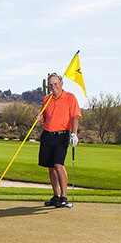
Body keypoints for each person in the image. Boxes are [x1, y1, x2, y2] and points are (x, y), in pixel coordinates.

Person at [37, 73, 81, 207]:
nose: (53, 87)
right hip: (47, 135)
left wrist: (74, 133)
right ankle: (56, 196)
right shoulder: (46, 99)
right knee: (50, 167)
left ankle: (64, 197)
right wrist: (40, 119)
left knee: (58, 165)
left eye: (56, 84)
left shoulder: (70, 98)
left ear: (61, 84)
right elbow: (45, 117)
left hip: (62, 135)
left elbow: (75, 117)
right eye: (51, 84)